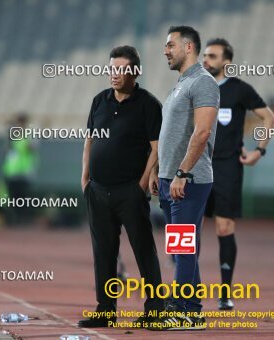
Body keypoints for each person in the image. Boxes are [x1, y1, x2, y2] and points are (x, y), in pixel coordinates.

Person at [78, 45, 164, 328]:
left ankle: (155, 311)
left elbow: (156, 148)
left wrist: (141, 184)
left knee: (143, 250)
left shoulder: (148, 104)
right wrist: (86, 176)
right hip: (98, 190)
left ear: (135, 72)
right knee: (103, 252)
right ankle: (105, 310)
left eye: (121, 70)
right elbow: (90, 140)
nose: (114, 75)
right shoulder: (99, 101)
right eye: (112, 69)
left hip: (130, 191)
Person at [149, 26, 219, 331]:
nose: (165, 50)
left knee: (184, 247)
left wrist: (181, 173)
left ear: (188, 47)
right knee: (180, 248)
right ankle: (191, 309)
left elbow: (202, 132)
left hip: (188, 180)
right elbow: (170, 135)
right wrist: (158, 170)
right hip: (169, 179)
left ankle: (181, 310)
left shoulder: (203, 82)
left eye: (170, 45)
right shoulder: (181, 84)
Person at [202, 38, 274, 310]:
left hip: (227, 168)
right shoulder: (193, 86)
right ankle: (185, 289)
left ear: (226, 62)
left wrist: (259, 151)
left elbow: (269, 117)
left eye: (212, 56)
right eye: (204, 55)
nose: (205, 60)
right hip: (196, 166)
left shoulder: (240, 89)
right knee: (187, 228)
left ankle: (225, 293)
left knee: (224, 228)